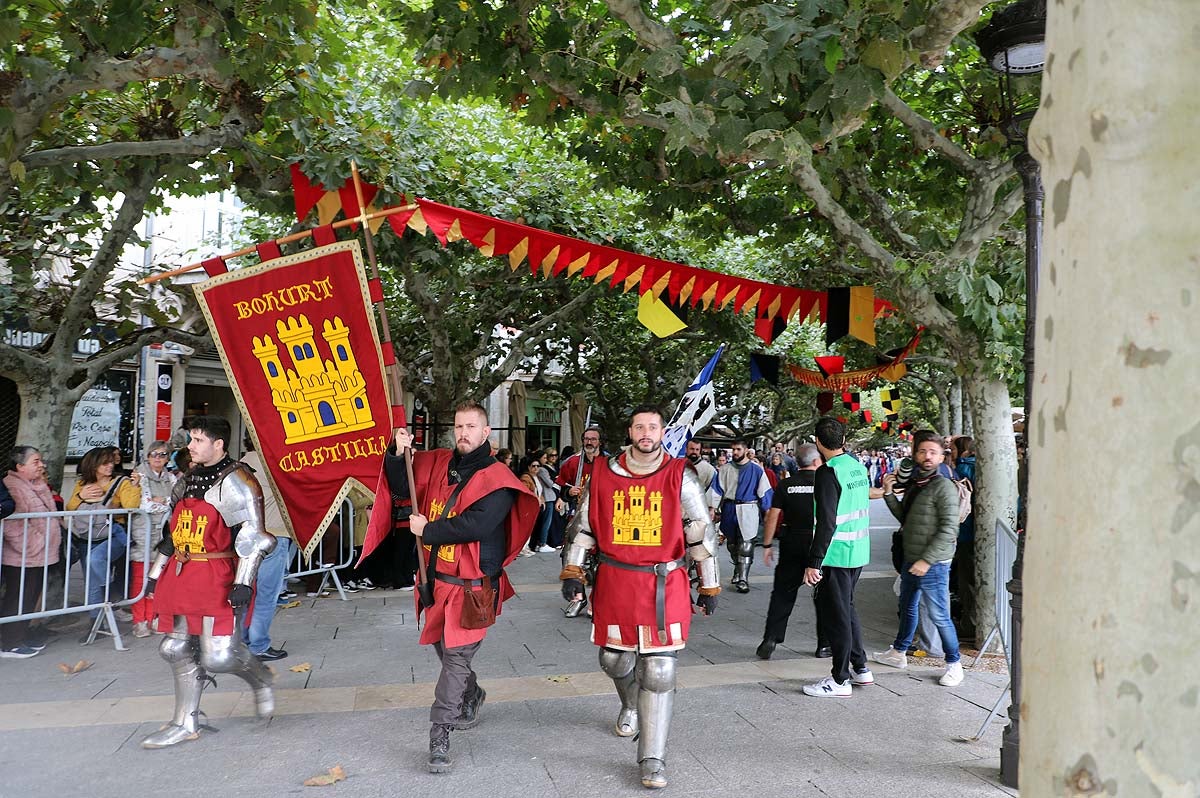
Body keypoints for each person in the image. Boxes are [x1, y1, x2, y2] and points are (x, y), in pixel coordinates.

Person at [560, 405, 720, 790]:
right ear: (630, 431)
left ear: (662, 431)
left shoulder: (681, 475)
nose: (646, 432)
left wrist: (710, 583)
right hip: (616, 581)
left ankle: (652, 758)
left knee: (659, 672)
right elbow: (583, 527)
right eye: (639, 426)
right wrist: (572, 571)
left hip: (665, 584)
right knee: (614, 660)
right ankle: (630, 702)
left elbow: (701, 531)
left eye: (652, 426)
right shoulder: (602, 473)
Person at [392, 402, 539, 775]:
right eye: (459, 426)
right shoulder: (440, 462)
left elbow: (475, 525)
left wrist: (428, 530)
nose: (463, 433)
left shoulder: (500, 479)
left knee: (456, 660)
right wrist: (398, 452)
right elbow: (400, 485)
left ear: (486, 432)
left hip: (472, 588)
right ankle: (472, 693)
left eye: (471, 426)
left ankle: (439, 732)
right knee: (445, 653)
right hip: (435, 581)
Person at [140, 416, 277, 748]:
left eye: (197, 440)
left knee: (218, 656)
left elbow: (253, 537)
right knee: (173, 648)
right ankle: (185, 722)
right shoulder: (185, 480)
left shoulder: (238, 482)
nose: (190, 446)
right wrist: (155, 576)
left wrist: (244, 581)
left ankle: (260, 680)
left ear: (218, 444)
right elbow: (172, 536)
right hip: (184, 573)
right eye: (191, 439)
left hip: (218, 575)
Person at [873, 430, 964, 687]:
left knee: (939, 614)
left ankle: (954, 664)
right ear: (914, 455)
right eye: (922, 451)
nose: (927, 456)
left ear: (941, 456)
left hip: (932, 563)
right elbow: (906, 518)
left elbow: (949, 528)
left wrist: (926, 560)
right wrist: (889, 493)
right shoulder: (917, 483)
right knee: (908, 605)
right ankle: (899, 652)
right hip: (912, 558)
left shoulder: (943, 485)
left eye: (933, 452)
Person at [801, 418, 874, 698]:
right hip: (858, 551)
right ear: (843, 439)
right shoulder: (856, 467)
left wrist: (814, 561)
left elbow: (827, 522)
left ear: (817, 441)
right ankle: (860, 667)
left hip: (837, 555)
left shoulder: (828, 472)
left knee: (837, 616)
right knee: (848, 609)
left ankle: (840, 679)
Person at [757, 443, 829, 660]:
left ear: (797, 462)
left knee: (782, 594)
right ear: (817, 461)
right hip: (819, 543)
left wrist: (767, 545)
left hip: (791, 542)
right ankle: (824, 644)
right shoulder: (827, 483)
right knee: (824, 596)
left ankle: (771, 638)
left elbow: (773, 515)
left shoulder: (786, 484)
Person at [66, 446, 142, 622]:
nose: (110, 466)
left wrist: (135, 486)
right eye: (104, 463)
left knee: (96, 560)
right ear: (94, 466)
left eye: (110, 462)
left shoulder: (121, 482)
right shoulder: (83, 484)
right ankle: (96, 623)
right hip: (88, 536)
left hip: (112, 534)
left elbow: (131, 506)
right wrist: (80, 496)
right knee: (91, 583)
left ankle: (111, 590)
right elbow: (70, 508)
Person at [1, 447, 59, 658]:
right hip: (23, 554)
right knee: (18, 596)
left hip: (40, 554)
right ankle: (9, 642)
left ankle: (21, 635)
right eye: (36, 461)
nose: (41, 465)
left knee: (30, 596)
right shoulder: (13, 486)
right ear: (20, 466)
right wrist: (34, 544)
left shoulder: (36, 484)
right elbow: (12, 524)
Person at [240, 444, 292, 661]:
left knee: (244, 594)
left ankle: (242, 639)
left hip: (246, 537)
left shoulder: (240, 465)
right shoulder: (277, 464)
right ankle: (259, 644)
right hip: (273, 535)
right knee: (266, 596)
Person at [710, 439, 773, 593]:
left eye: (738, 449)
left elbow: (764, 491)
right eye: (733, 450)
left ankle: (743, 579)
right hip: (730, 508)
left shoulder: (757, 470)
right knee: (732, 544)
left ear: (745, 450)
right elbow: (717, 490)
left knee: (746, 545)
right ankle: (738, 570)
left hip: (748, 508)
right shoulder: (724, 469)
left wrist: (767, 510)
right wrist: (714, 509)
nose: (735, 453)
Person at [129, 441, 177, 637]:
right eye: (154, 454)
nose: (158, 458)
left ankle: (154, 617)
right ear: (147, 456)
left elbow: (176, 502)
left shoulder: (171, 477)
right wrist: (164, 503)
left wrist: (162, 501)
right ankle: (139, 620)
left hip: (164, 534)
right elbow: (146, 505)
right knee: (141, 578)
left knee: (158, 578)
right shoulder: (139, 475)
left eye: (163, 455)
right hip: (143, 532)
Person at [556, 427, 605, 617]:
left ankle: (596, 601)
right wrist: (569, 492)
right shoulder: (573, 463)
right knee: (571, 560)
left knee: (601, 563)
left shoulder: (608, 464)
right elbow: (561, 488)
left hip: (602, 520)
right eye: (586, 439)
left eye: (593, 439)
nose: (589, 442)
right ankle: (578, 598)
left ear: (600, 441)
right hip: (577, 519)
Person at [951, 436, 977, 640]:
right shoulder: (973, 467)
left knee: (966, 581)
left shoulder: (963, 469)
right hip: (975, 532)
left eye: (951, 448)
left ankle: (969, 625)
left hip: (966, 532)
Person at [516, 455, 545, 557]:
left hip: (534, 507)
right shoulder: (526, 477)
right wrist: (535, 498)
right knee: (525, 527)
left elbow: (539, 491)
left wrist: (541, 500)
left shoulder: (536, 477)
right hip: (527, 507)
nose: (536, 468)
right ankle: (522, 548)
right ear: (528, 467)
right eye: (533, 466)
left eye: (538, 466)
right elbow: (525, 491)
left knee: (530, 527)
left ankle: (526, 547)